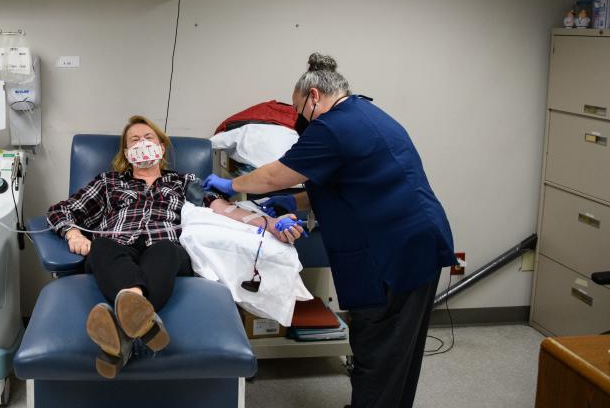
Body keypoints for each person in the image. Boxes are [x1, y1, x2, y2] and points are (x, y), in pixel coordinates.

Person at [203, 53, 455, 408]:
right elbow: (343, 185)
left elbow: (276, 174)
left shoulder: (333, 126)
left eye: (298, 109)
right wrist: (292, 204)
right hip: (419, 240)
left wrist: (234, 186)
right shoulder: (367, 114)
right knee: (399, 350)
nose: (299, 118)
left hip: (394, 250)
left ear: (315, 96)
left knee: (379, 348)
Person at [46, 115, 295, 379]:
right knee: (102, 246)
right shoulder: (109, 182)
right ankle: (138, 320)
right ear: (127, 153)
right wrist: (73, 234)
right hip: (117, 246)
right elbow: (62, 211)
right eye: (134, 140)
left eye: (148, 138)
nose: (142, 143)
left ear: (162, 147)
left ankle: (124, 327)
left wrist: (269, 223)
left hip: (165, 249)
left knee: (165, 250)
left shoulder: (183, 181)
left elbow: (225, 210)